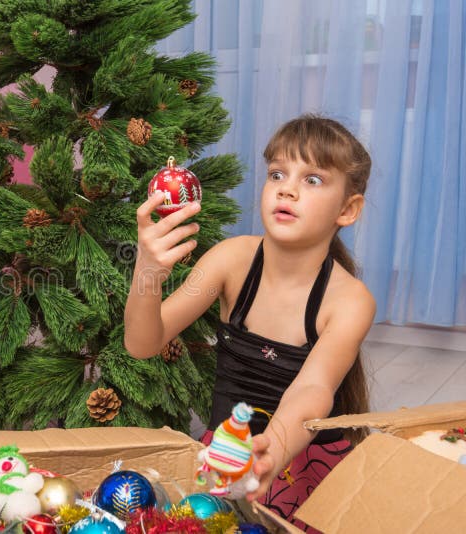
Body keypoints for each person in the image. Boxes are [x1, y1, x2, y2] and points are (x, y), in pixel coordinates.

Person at [124, 115, 374, 527]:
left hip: (298, 464)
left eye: (312, 180)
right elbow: (142, 343)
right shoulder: (232, 259)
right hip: (225, 454)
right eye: (278, 173)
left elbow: (312, 389)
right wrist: (147, 271)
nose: (287, 188)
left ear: (348, 209)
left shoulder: (349, 300)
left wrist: (271, 453)